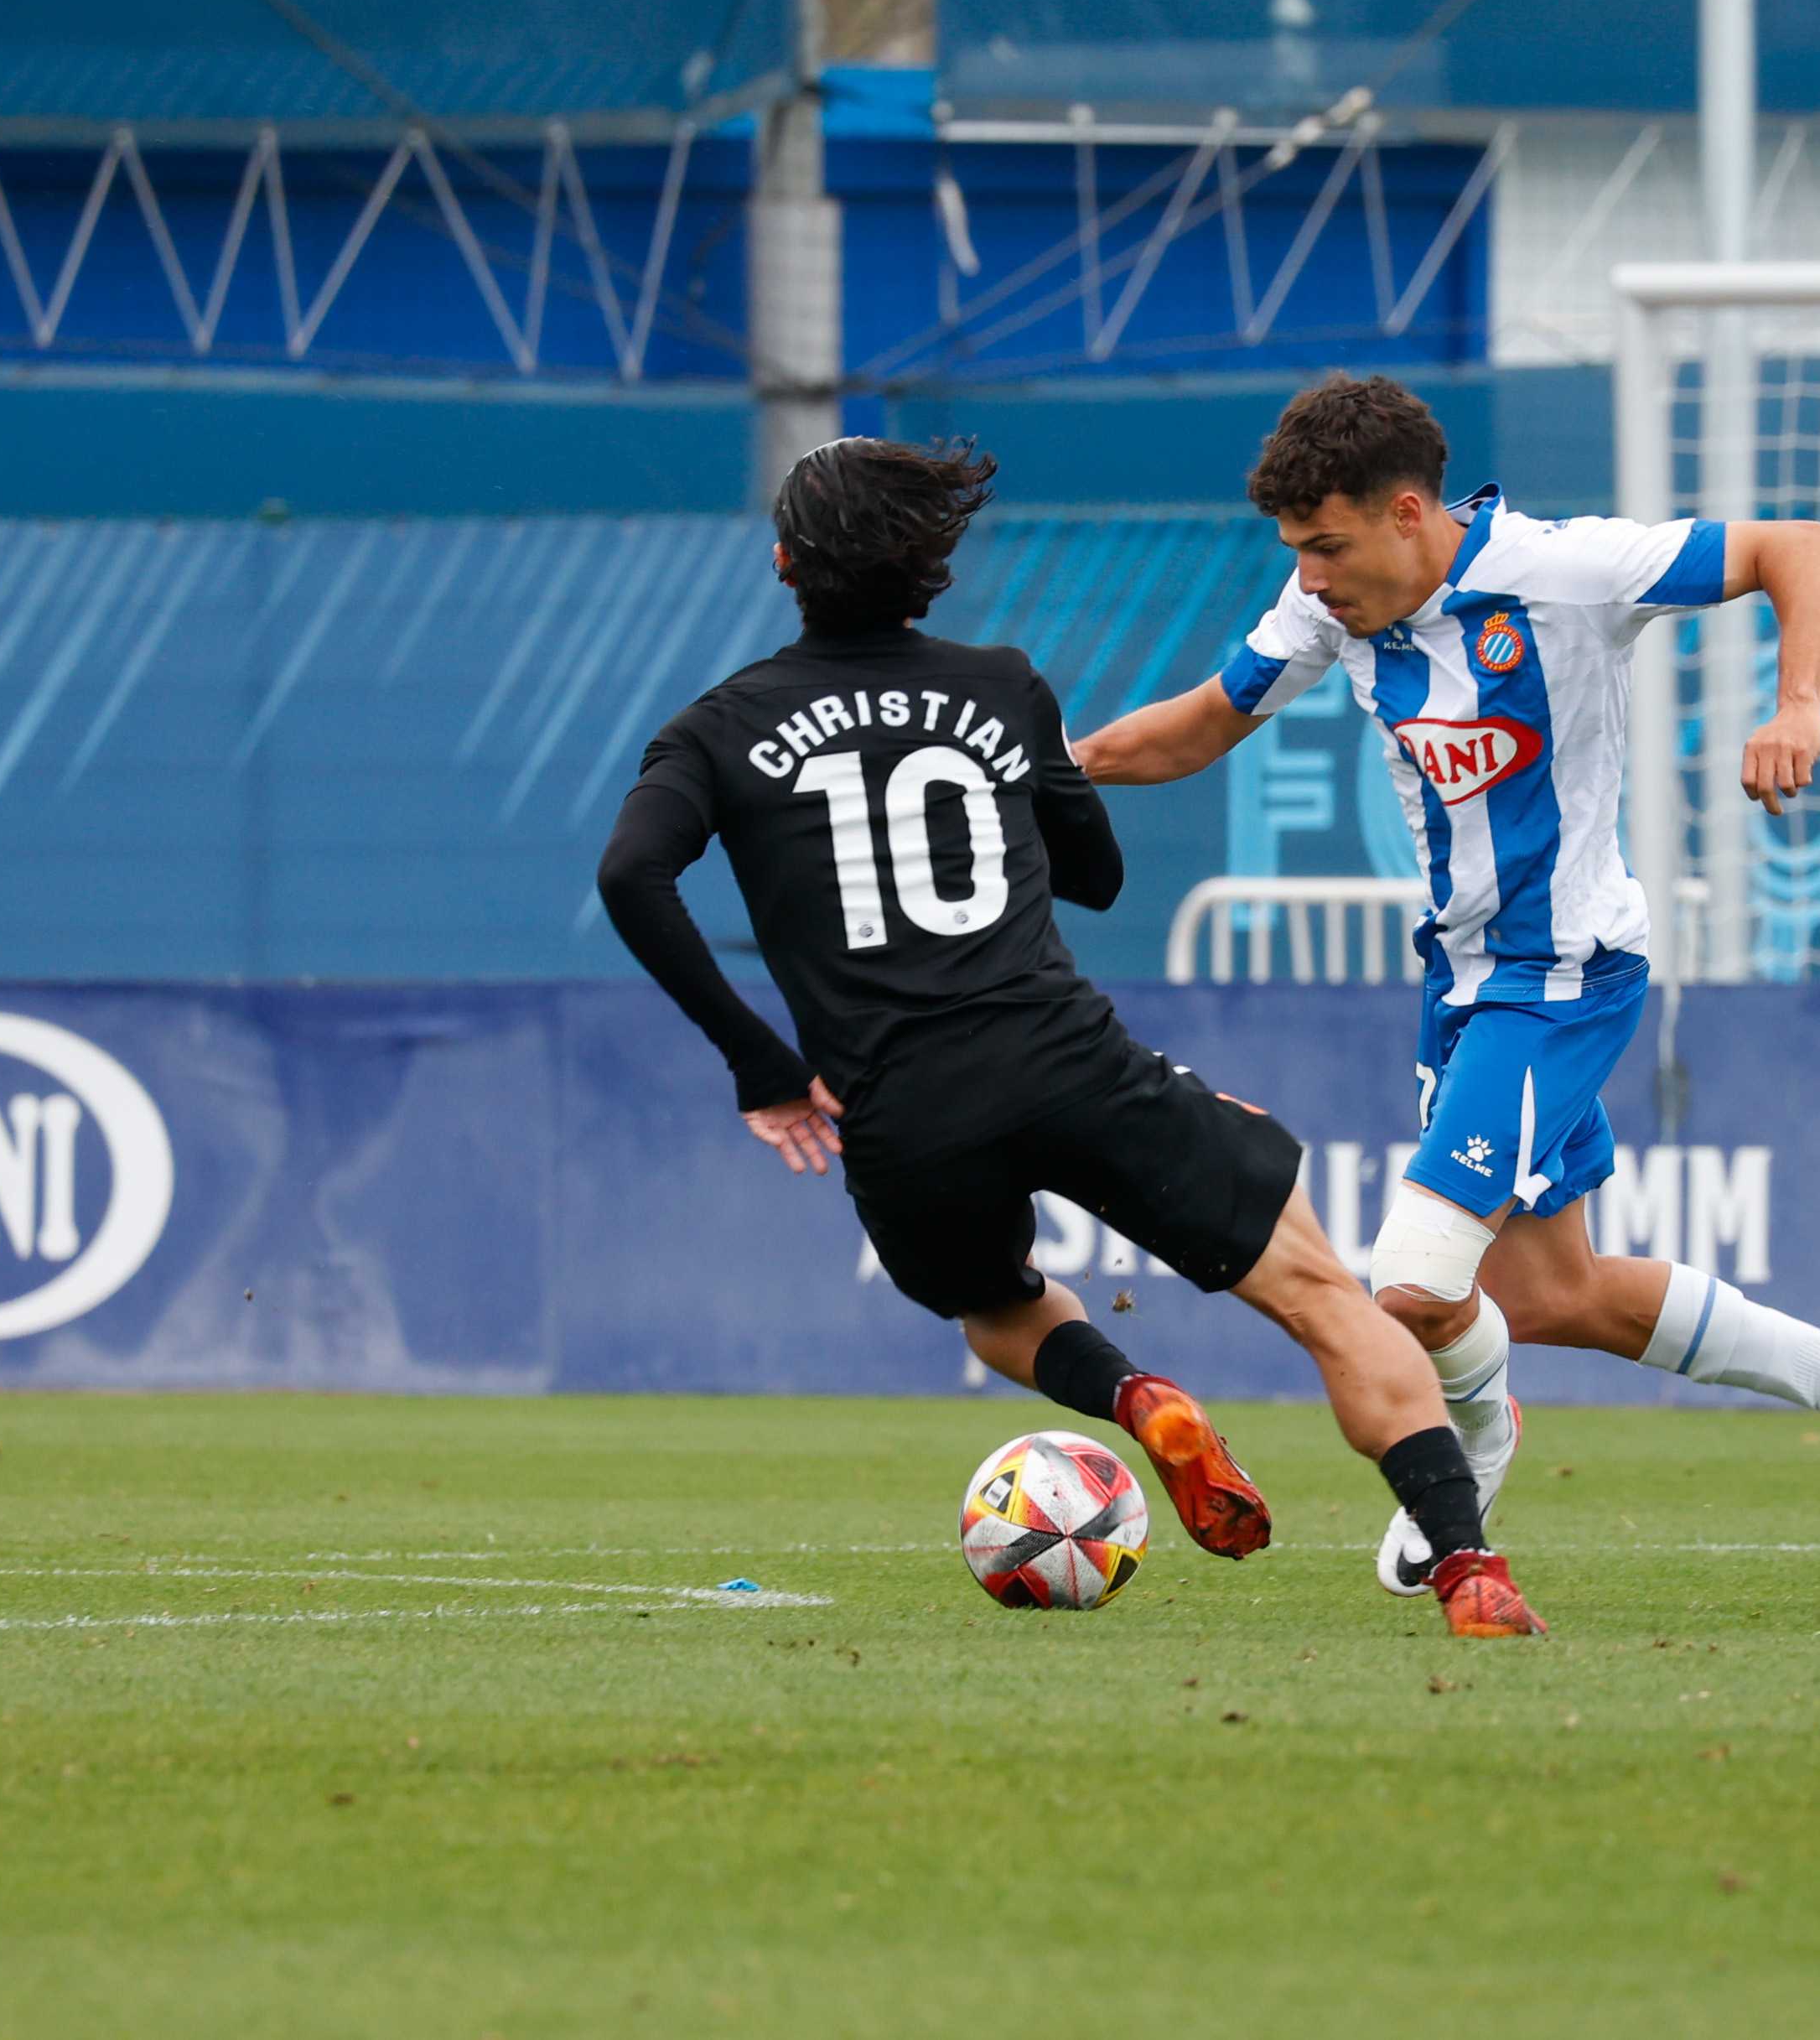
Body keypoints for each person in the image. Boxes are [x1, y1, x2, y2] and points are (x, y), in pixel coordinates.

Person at [595, 434, 1544, 1637]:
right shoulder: (1002, 686)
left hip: (901, 1108)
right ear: (930, 566)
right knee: (1320, 1295)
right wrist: (1027, 782)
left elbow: (631, 875)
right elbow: (1094, 876)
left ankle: (1140, 1397)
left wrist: (763, 1063)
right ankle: (1467, 1567)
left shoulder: (716, 728)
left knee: (997, 1310)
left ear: (784, 563)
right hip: (1068, 1062)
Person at [1071, 376, 1820, 1599]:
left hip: (1562, 977)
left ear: (1407, 513)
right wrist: (1044, 767)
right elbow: (1197, 727)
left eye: (1326, 545)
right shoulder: (1328, 607)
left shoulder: (1563, 570)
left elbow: (1801, 547)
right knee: (1554, 1294)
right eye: (1295, 551)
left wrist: (1799, 708)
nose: (1309, 575)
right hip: (1461, 982)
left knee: (1412, 1284)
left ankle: (1472, 1445)